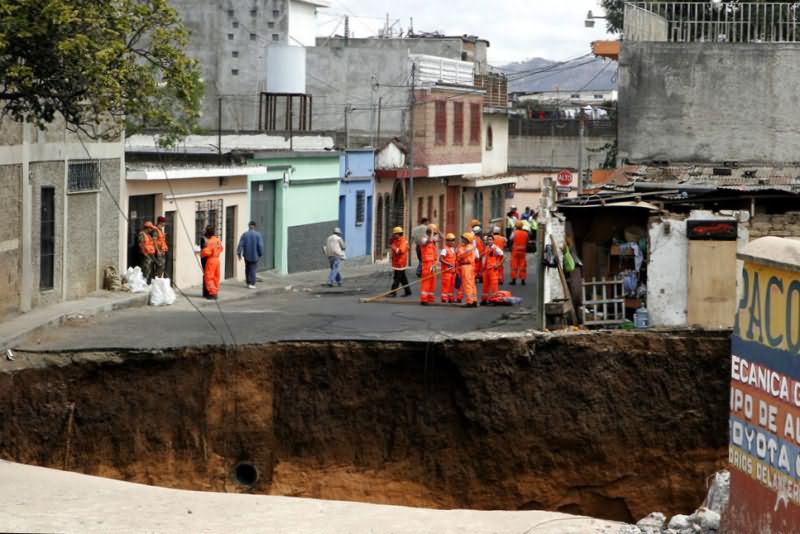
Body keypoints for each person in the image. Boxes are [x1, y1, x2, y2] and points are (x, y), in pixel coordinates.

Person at [237, 221, 264, 289]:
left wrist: (239, 253)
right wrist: (260, 253)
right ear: (255, 226)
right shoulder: (258, 235)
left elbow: (240, 245)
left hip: (247, 255)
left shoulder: (245, 234)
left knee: (247, 268)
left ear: (249, 226)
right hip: (255, 255)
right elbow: (260, 245)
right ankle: (252, 283)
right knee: (253, 269)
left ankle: (248, 282)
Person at [199, 225, 223, 300]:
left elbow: (206, 252)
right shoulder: (217, 240)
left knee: (209, 277)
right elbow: (221, 249)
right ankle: (215, 291)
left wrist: (202, 253)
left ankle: (212, 293)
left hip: (211, 260)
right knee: (216, 277)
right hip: (217, 260)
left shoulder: (210, 241)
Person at [418, 223, 439, 305]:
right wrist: (432, 231)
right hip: (427, 264)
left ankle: (430, 297)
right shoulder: (424, 238)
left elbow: (442, 238)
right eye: (433, 233)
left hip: (433, 263)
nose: (434, 235)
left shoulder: (432, 241)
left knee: (433, 281)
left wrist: (437, 231)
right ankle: (424, 299)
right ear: (429, 232)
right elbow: (428, 240)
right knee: (426, 281)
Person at [481, 234, 504, 305]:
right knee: (485, 285)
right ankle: (484, 300)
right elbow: (485, 258)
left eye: (490, 239)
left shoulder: (496, 248)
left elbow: (503, 256)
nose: (489, 241)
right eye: (488, 240)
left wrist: (498, 265)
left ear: (493, 241)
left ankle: (495, 300)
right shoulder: (487, 248)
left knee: (494, 286)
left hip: (493, 270)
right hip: (486, 270)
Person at [457, 232, 479, 307]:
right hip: (469, 266)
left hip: (467, 267)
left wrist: (461, 254)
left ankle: (470, 301)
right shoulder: (468, 247)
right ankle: (474, 300)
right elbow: (460, 254)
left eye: (463, 238)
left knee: (468, 284)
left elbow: (462, 255)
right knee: (471, 284)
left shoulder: (469, 247)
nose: (462, 239)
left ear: (467, 239)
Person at [389, 226, 411, 297]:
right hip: (396, 262)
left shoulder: (403, 241)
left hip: (400, 263)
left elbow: (401, 251)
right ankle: (408, 291)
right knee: (403, 278)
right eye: (394, 234)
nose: (394, 235)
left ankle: (393, 292)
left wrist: (393, 247)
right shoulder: (395, 240)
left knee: (397, 278)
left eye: (395, 234)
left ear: (399, 234)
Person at [439, 233, 458, 303]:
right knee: (445, 285)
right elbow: (440, 259)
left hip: (453, 271)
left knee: (452, 285)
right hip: (447, 271)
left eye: (453, 240)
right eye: (450, 240)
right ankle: (444, 298)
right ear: (447, 241)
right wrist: (448, 264)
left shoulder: (453, 249)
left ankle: (450, 298)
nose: (452, 242)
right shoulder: (445, 249)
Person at [510, 220, 528, 285]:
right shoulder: (525, 233)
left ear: (516, 226)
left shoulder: (514, 232)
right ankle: (523, 280)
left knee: (514, 265)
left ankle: (514, 280)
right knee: (522, 265)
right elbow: (527, 240)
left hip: (515, 251)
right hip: (523, 251)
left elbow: (511, 239)